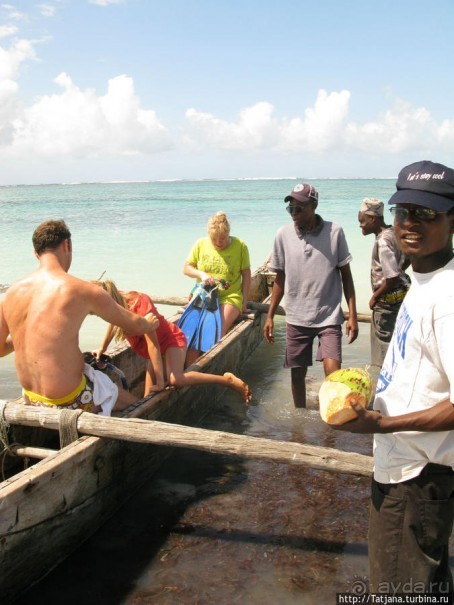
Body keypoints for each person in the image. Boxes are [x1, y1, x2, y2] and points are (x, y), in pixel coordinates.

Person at [335, 161, 454, 596]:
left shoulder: (447, 297)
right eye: (405, 212)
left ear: (452, 219)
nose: (411, 224)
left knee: (397, 591)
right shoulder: (423, 281)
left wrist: (383, 424)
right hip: (405, 469)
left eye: (428, 214)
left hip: (417, 476)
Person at [0, 220, 160, 415]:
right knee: (134, 404)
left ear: (36, 253)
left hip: (32, 397)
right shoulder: (81, 290)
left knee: (94, 378)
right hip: (72, 398)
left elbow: (1, 349)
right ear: (67, 245)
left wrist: (28, 336)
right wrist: (148, 322)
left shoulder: (10, 294)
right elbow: (132, 325)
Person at [264, 183, 358, 408]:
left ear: (314, 205)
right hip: (296, 317)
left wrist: (352, 315)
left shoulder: (334, 232)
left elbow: (346, 276)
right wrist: (269, 316)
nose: (294, 213)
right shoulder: (282, 235)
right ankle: (299, 424)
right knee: (297, 376)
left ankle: (332, 421)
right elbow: (280, 278)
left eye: (299, 208)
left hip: (329, 316)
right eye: (291, 209)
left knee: (333, 376)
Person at [93, 280, 252, 403]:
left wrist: (161, 382)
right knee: (146, 398)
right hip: (153, 352)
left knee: (176, 379)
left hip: (171, 341)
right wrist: (103, 348)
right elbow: (112, 320)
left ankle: (227, 380)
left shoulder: (139, 305)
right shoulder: (115, 301)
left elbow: (153, 345)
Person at [183, 212, 251, 364]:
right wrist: (201, 274)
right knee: (192, 333)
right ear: (208, 235)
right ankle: (191, 372)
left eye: (223, 238)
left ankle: (206, 366)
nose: (218, 242)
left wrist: (244, 301)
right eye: (214, 239)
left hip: (229, 296)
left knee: (215, 332)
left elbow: (246, 275)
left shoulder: (240, 246)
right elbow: (186, 268)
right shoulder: (200, 244)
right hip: (204, 294)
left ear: (228, 234)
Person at [358, 197, 410, 367]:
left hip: (387, 304)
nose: (360, 225)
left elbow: (392, 277)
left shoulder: (382, 241)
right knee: (399, 343)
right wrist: (401, 269)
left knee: (383, 351)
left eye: (362, 221)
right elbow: (407, 258)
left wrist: (375, 297)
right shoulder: (394, 233)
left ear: (372, 218)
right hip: (401, 296)